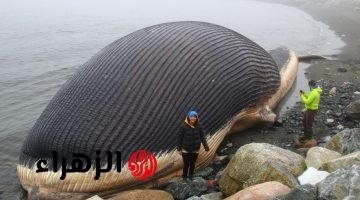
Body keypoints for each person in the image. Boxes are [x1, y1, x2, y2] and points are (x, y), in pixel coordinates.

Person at [177, 110, 210, 180]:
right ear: (188, 117)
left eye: (195, 116)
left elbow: (202, 137)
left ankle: (191, 176)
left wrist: (206, 147)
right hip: (186, 149)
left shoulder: (199, 126)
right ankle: (184, 177)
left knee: (192, 164)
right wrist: (179, 149)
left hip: (195, 149)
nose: (193, 118)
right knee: (186, 165)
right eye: (191, 116)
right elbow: (180, 138)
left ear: (197, 118)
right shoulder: (183, 126)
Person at [296, 80, 323, 147]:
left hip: (311, 110)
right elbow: (309, 96)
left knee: (308, 124)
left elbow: (307, 101)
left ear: (310, 85)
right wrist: (304, 93)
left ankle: (309, 138)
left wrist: (301, 96)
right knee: (304, 121)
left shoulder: (314, 92)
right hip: (309, 109)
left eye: (309, 86)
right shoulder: (315, 90)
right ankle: (306, 135)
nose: (309, 87)